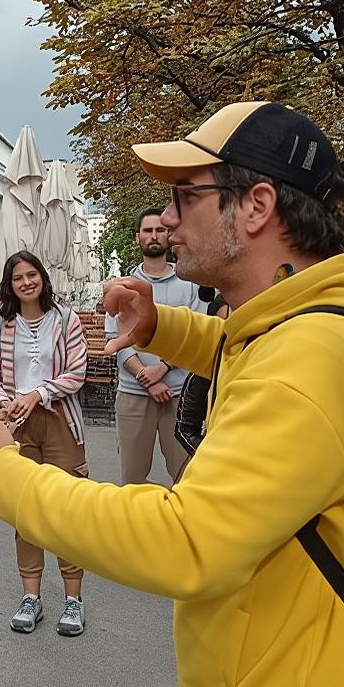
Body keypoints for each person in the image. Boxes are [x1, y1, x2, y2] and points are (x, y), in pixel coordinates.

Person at [0, 101, 344, 687]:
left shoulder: (314, 360)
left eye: (184, 196)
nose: (168, 219)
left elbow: (188, 541)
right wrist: (165, 328)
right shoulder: (313, 325)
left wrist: (9, 476)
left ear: (256, 206)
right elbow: (248, 351)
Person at [0, 251, 89, 635]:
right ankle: (32, 597)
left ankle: (73, 600)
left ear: (42, 277)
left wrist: (39, 393)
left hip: (60, 422)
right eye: (17, 278)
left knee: (66, 509)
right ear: (9, 285)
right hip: (18, 426)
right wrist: (1, 401)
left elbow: (78, 372)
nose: (26, 282)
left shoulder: (66, 320)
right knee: (25, 511)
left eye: (32, 275)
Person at [104, 206, 205, 485]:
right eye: (148, 230)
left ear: (168, 234)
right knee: (132, 478)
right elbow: (115, 339)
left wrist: (163, 368)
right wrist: (145, 377)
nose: (154, 236)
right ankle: (133, 530)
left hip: (179, 395)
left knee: (187, 476)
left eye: (160, 230)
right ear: (138, 237)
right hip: (134, 394)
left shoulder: (191, 283)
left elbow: (198, 331)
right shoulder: (124, 285)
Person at [173, 292, 229, 457]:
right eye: (221, 324)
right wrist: (209, 455)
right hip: (210, 460)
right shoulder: (201, 375)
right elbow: (185, 429)